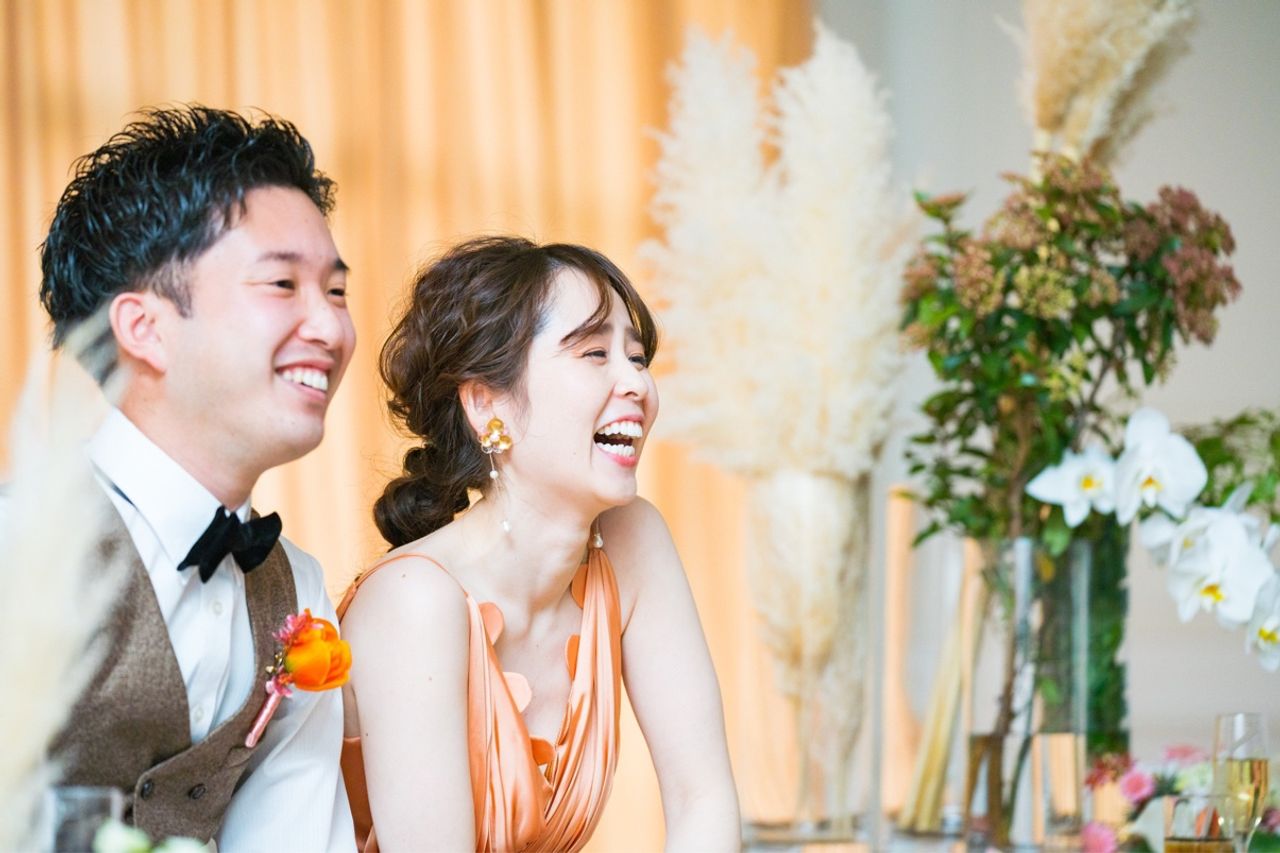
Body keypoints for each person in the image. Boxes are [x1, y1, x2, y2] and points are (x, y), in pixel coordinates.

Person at [338, 237, 740, 852]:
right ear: (487, 403)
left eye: (637, 357)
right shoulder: (413, 601)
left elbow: (702, 801)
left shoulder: (632, 540)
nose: (635, 383)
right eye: (595, 353)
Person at [32, 105, 356, 850]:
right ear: (144, 328)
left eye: (337, 292)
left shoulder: (297, 591)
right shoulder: (22, 546)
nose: (330, 328)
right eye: (283, 283)